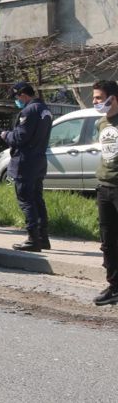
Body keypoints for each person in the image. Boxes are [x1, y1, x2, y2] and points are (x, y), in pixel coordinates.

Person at [1, 82, 54, 252]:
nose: (17, 101)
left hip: (26, 161)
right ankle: (43, 237)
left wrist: (5, 135)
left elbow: (19, 138)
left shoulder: (29, 111)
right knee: (37, 198)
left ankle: (33, 239)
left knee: (26, 199)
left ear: (23, 95)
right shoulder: (45, 109)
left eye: (17, 97)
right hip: (39, 159)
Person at [90, 80, 118, 305]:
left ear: (113, 98)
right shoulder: (102, 123)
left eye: (99, 98)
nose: (95, 102)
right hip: (104, 186)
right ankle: (115, 286)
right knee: (108, 241)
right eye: (95, 98)